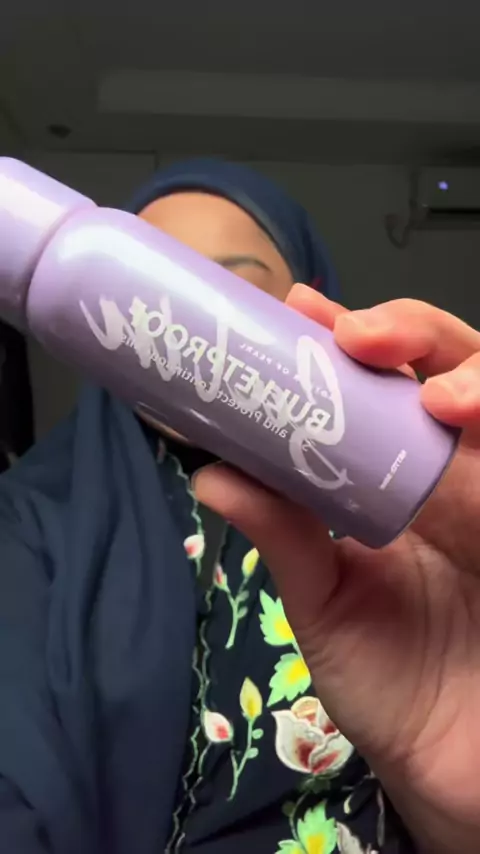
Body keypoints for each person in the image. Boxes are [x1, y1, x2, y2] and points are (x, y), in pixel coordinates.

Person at [0, 159, 478, 854]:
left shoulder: (417, 531)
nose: (178, 316)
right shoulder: (31, 523)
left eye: (230, 286)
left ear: (306, 298)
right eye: (147, 285)